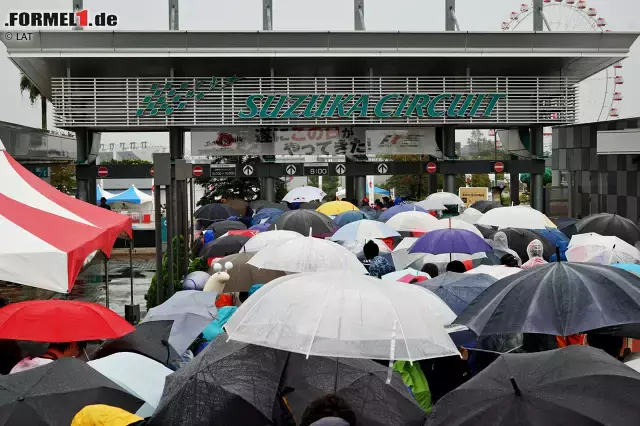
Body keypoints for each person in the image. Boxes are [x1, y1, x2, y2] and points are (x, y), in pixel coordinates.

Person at [10, 341, 88, 374]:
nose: (74, 358)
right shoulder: (59, 372)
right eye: (76, 356)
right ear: (73, 346)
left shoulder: (20, 365)